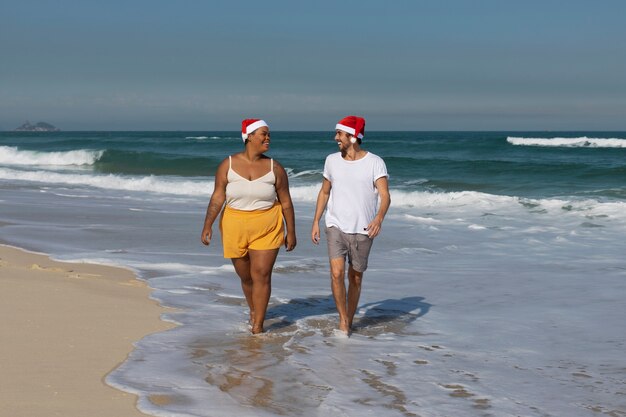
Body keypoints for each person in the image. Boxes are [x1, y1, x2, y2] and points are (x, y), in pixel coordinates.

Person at [201, 119, 296, 334]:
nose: (268, 138)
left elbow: (286, 202)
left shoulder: (276, 168)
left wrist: (291, 231)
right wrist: (208, 224)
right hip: (234, 224)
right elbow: (217, 197)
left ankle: (258, 326)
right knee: (246, 277)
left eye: (269, 134)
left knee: (261, 274)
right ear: (249, 136)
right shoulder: (228, 165)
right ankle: (254, 309)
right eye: (263, 134)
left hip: (267, 225)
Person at [311, 115, 390, 335]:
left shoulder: (375, 162)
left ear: (353, 137)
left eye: (340, 133)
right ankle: (343, 320)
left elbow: (385, 195)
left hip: (364, 229)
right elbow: (325, 191)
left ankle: (350, 317)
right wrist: (316, 221)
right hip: (335, 225)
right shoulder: (331, 160)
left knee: (355, 277)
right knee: (336, 274)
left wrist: (379, 218)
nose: (336, 137)